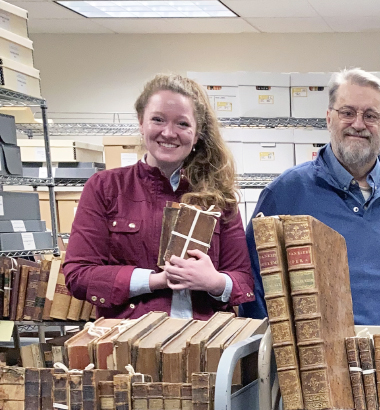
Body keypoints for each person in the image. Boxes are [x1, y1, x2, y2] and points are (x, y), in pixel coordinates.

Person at [240, 68, 380, 325]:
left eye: (371, 115)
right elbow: (254, 285)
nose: (358, 124)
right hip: (315, 360)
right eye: (347, 113)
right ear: (328, 118)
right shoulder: (285, 193)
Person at [63, 74, 256, 320]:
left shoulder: (220, 198)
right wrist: (156, 281)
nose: (169, 132)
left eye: (183, 124)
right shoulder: (105, 187)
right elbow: (78, 275)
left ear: (197, 135)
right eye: (158, 119)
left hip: (206, 343)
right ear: (141, 123)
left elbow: (244, 280)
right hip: (129, 342)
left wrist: (214, 281)